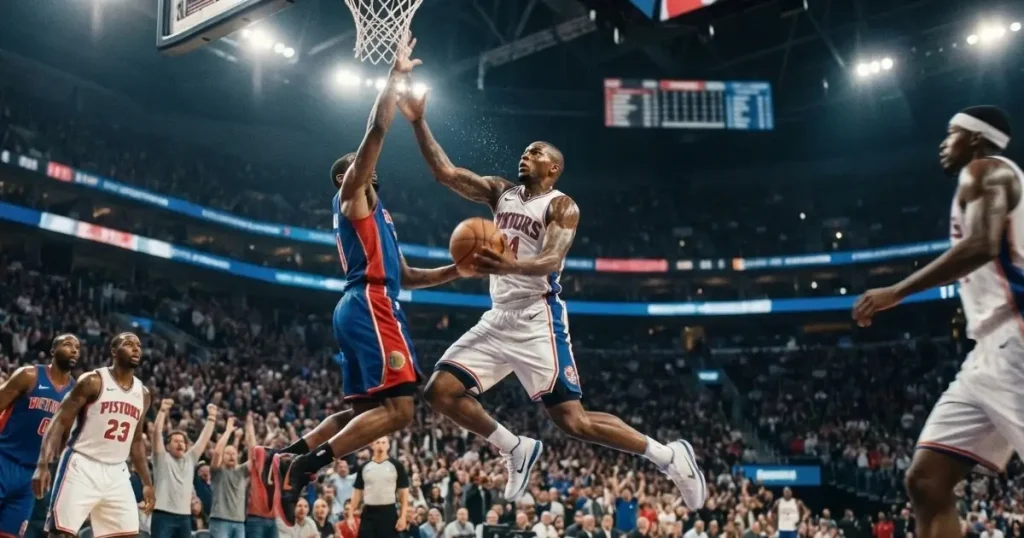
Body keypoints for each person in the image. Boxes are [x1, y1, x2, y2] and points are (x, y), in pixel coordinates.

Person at [396, 89, 705, 508]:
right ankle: (515, 447)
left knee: (573, 422)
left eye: (535, 152)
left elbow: (551, 258)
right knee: (439, 392)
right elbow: (447, 173)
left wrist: (505, 267)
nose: (525, 155)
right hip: (498, 316)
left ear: (553, 168)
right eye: (525, 151)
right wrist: (417, 121)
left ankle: (669, 457)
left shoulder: (562, 206)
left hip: (537, 318)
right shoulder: (499, 193)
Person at [276, 35, 461, 525]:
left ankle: (288, 456)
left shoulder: (382, 219)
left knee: (365, 412)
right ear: (349, 177)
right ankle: (305, 465)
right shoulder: (353, 196)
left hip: (369, 301)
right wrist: (394, 77)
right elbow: (376, 131)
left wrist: (459, 269)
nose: (371, 174)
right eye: (361, 170)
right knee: (401, 411)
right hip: (369, 304)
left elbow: (409, 276)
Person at [852, 105, 1021, 538]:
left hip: (1016, 339)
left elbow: (982, 245)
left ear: (977, 140)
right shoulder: (982, 178)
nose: (944, 144)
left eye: (953, 134)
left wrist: (898, 291)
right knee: (926, 481)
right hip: (987, 352)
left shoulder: (985, 171)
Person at [33, 332, 154, 537]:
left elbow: (135, 442)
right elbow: (59, 420)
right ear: (114, 352)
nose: (136, 348)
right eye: (128, 344)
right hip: (82, 465)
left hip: (117, 471)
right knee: (61, 533)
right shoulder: (93, 381)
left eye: (139, 345)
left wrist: (147, 482)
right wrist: (42, 463)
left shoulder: (143, 394)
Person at [0, 334, 78, 538]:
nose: (74, 350)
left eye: (77, 347)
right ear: (53, 351)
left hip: (31, 474)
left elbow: (66, 437)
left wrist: (50, 465)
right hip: (4, 458)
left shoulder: (76, 392)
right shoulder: (29, 375)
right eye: (68, 344)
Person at [152, 398, 219, 538]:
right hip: (163, 516)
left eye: (182, 441)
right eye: (176, 441)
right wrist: (163, 411)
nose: (180, 444)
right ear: (167, 446)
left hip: (184, 517)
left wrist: (212, 418)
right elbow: (156, 433)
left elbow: (204, 439)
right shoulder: (162, 458)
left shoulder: (190, 459)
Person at [348, 437, 410, 538]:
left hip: (388, 512)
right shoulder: (364, 467)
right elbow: (357, 493)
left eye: (383, 442)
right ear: (372, 445)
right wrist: (350, 515)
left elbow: (403, 494)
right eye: (377, 442)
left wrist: (403, 517)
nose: (381, 445)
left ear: (388, 445)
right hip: (369, 512)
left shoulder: (397, 466)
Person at [210, 416, 250, 538]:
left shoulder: (242, 471)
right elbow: (217, 452)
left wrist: (247, 434)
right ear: (223, 456)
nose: (231, 456)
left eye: (233, 454)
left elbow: (255, 457)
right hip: (220, 520)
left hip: (239, 522)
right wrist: (228, 431)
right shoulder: (217, 471)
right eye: (227, 453)